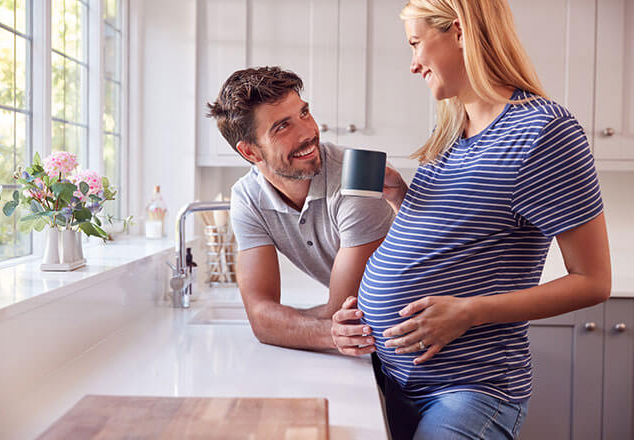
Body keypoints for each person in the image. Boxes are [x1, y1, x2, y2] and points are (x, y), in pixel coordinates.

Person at [330, 0, 612, 439]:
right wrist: (403, 199)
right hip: (395, 379)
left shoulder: (544, 130)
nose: (413, 65)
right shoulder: (452, 132)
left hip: (470, 388)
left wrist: (468, 312)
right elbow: (463, 238)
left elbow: (593, 281)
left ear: (459, 31)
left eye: (415, 44)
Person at [206, 66, 394, 350]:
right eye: (282, 126)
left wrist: (283, 322)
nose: (308, 132)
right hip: (383, 339)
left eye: (304, 113)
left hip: (433, 337)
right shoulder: (247, 198)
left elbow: (345, 312)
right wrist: (275, 321)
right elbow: (261, 318)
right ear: (250, 151)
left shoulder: (356, 179)